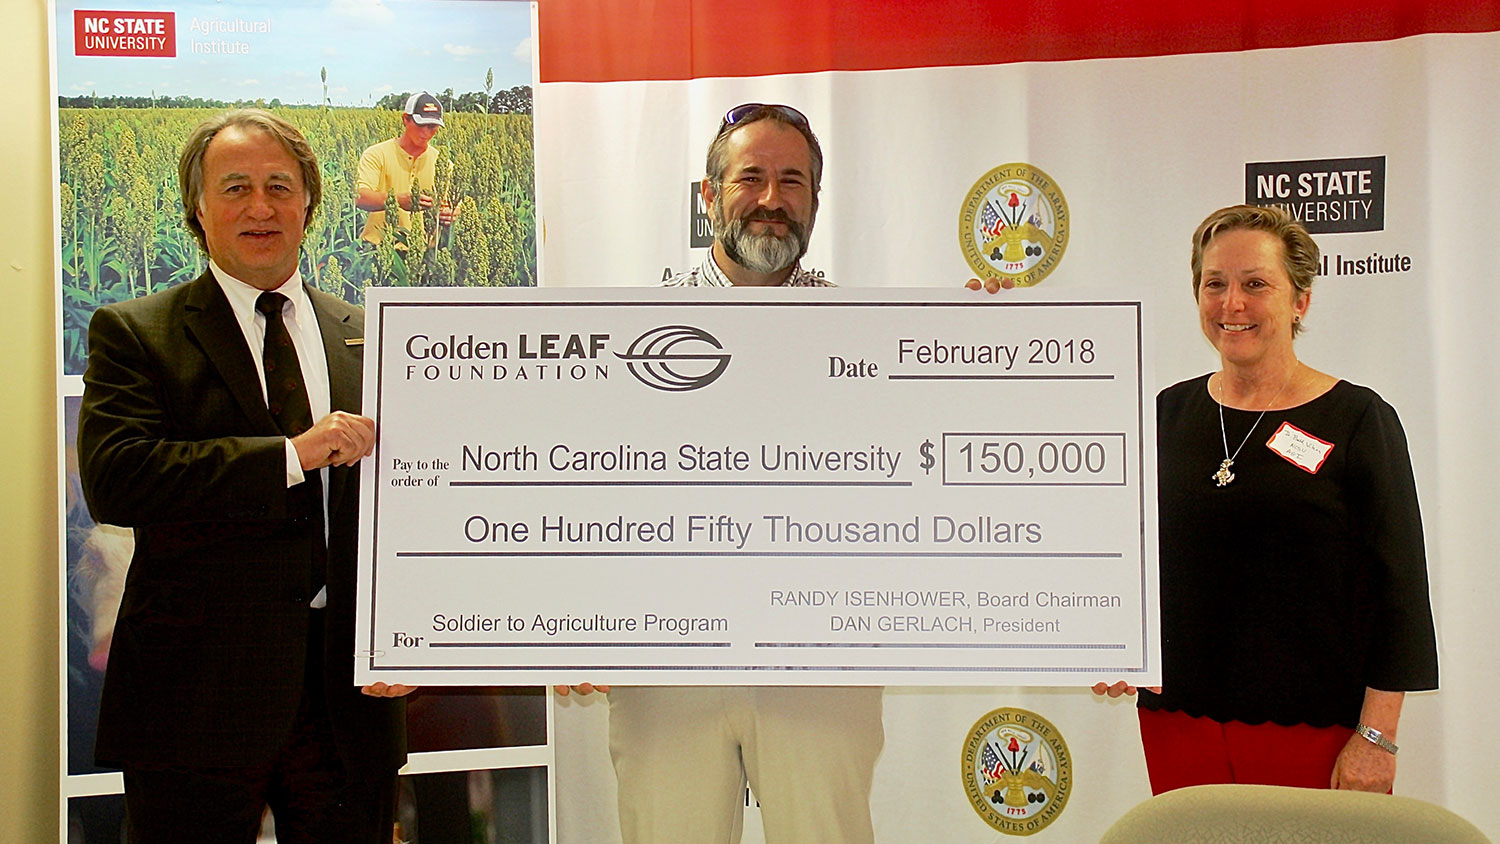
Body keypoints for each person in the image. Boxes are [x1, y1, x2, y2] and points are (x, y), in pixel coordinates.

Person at [77, 108, 413, 843]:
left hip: (346, 700)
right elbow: (118, 479)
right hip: (194, 702)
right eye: (235, 187)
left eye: (279, 186)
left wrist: (412, 633)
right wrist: (292, 455)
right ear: (198, 208)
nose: (259, 207)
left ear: (309, 204)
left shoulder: (371, 336)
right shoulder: (137, 333)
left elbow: (414, 506)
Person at [558, 104, 884, 844]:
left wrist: (985, 349)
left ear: (814, 200)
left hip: (822, 657)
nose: (772, 199)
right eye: (752, 178)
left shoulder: (872, 335)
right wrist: (570, 615)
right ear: (708, 196)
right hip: (668, 659)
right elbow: (586, 488)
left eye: (792, 181)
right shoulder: (629, 340)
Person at [1089, 204, 1438, 795]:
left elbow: (1398, 591)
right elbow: (1125, 556)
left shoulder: (1358, 419)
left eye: (1256, 284)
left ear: (1300, 300)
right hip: (1179, 724)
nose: (1232, 304)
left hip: (1315, 733)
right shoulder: (1163, 416)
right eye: (1215, 284)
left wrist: (1376, 737)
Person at [356, 91, 456, 246]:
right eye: (420, 124)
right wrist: (396, 201)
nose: (425, 132)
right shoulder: (376, 154)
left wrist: (451, 214)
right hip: (378, 249)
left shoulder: (444, 164)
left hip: (425, 253)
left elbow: (453, 206)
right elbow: (359, 197)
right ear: (406, 119)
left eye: (432, 126)